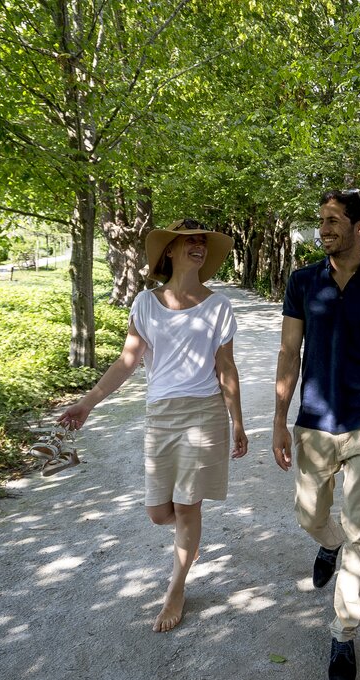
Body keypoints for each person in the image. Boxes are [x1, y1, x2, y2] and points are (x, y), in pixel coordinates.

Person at [58, 219, 248, 633]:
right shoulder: (145, 303)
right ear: (170, 252)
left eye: (202, 242)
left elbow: (226, 367)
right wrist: (87, 402)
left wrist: (238, 421)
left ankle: (176, 588)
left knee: (187, 505)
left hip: (204, 412)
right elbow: (127, 360)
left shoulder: (218, 306)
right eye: (188, 241)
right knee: (159, 512)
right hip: (161, 414)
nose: (198, 246)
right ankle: (189, 540)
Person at [272, 188, 360, 680]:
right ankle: (327, 543)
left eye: (334, 220)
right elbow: (289, 352)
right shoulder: (303, 282)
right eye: (322, 220)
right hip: (313, 424)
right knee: (310, 516)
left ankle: (344, 634)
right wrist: (279, 420)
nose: (324, 228)